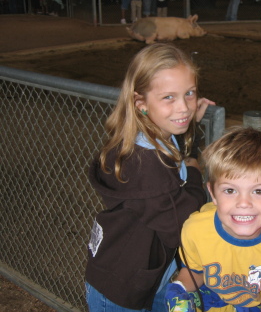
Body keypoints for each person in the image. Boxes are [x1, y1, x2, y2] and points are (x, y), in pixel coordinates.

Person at [85, 43, 215, 312]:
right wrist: (194, 175)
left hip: (150, 273)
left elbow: (176, 158)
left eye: (189, 93)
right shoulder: (144, 162)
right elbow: (181, 220)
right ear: (140, 103)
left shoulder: (154, 136)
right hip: (121, 290)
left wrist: (190, 128)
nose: (184, 108)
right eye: (169, 97)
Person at [165, 126, 261, 312]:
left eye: (258, 191)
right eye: (230, 190)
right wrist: (179, 288)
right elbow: (195, 272)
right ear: (212, 193)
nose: (244, 203)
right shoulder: (195, 230)